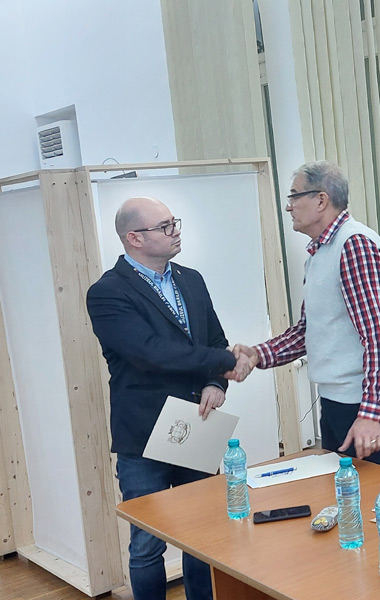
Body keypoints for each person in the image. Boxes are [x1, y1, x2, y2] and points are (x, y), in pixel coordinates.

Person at [86, 196, 251, 600]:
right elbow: (150, 353)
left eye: (173, 222)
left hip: (197, 423)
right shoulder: (107, 293)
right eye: (164, 226)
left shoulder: (191, 279)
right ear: (134, 238)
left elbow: (214, 338)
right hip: (144, 436)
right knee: (147, 543)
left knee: (203, 534)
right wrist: (226, 362)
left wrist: (217, 383)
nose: (175, 232)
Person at [232, 161, 380, 469]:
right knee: (343, 490)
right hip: (338, 399)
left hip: (360, 403)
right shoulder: (321, 251)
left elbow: (379, 338)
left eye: (294, 196)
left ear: (321, 200)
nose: (289, 207)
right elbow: (307, 330)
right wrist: (257, 355)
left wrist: (370, 415)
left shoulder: (354, 246)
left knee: (374, 493)